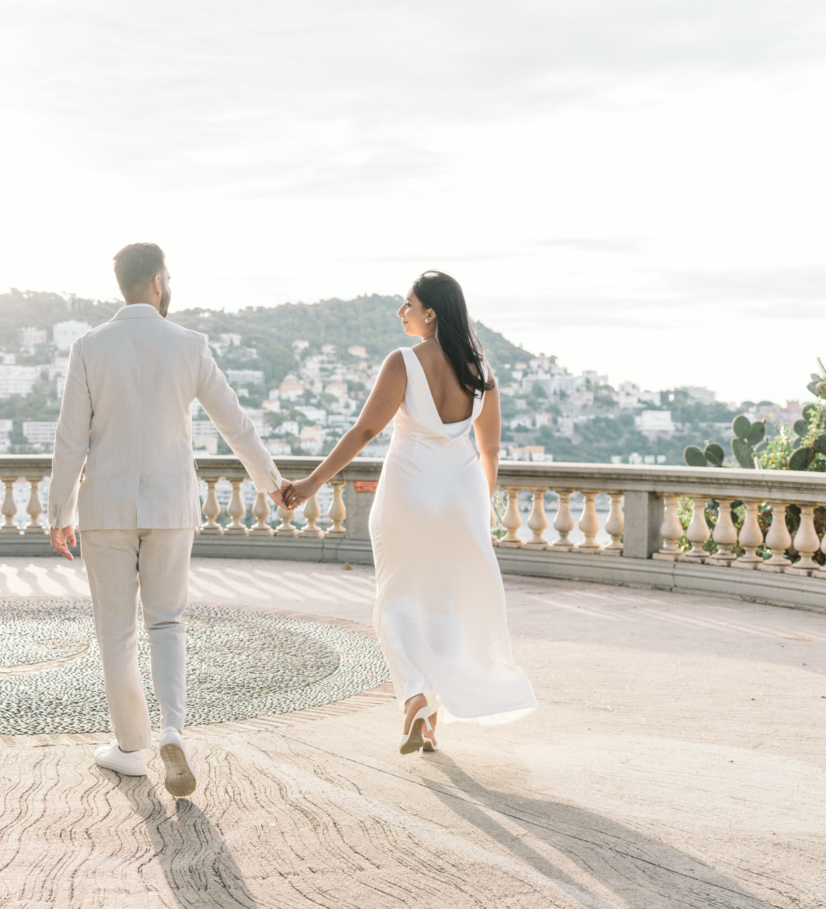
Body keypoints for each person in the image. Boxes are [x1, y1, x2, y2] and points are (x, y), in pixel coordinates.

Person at [48, 243, 292, 797]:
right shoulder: (189, 345)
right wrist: (272, 483)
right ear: (158, 281)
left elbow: (71, 438)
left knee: (116, 631)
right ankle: (173, 730)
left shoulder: (89, 347)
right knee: (167, 623)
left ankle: (131, 748)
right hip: (170, 506)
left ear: (123, 285)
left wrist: (59, 511)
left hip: (105, 507)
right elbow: (236, 423)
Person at [281, 270, 536, 754]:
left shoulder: (402, 362)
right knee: (444, 605)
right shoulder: (481, 371)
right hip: (460, 498)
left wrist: (312, 484)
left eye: (408, 305)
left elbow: (363, 432)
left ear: (431, 312)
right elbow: (492, 449)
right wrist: (481, 509)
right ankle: (433, 709)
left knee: (397, 601)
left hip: (408, 494)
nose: (401, 313)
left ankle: (416, 693)